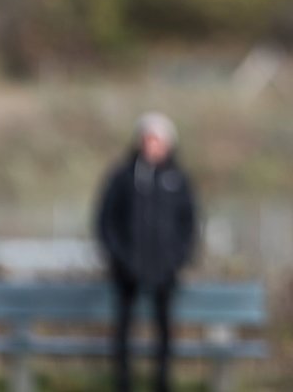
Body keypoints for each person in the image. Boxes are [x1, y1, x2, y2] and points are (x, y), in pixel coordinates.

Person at [96, 112, 198, 392]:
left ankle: (162, 385)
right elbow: (106, 221)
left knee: (164, 333)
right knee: (123, 332)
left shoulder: (177, 179)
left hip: (165, 271)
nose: (152, 144)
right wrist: (120, 257)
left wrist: (176, 259)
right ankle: (123, 385)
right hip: (126, 269)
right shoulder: (122, 177)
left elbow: (189, 224)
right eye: (147, 138)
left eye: (157, 139)